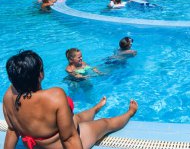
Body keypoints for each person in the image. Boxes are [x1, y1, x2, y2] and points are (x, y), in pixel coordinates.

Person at [3, 50, 138, 149]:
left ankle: (95, 108)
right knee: (106, 123)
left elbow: (12, 130)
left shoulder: (8, 95)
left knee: (77, 118)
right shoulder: (54, 96)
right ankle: (129, 113)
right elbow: (69, 138)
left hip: (38, 144)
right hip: (59, 145)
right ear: (40, 75)